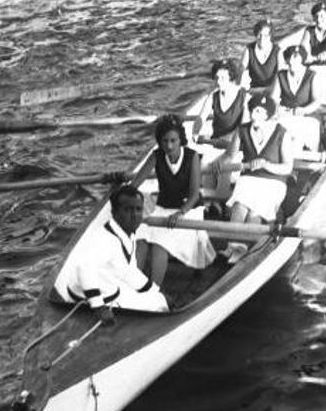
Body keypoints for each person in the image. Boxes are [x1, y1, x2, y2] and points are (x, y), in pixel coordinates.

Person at [52, 185, 169, 313]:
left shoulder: (127, 233)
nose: (134, 215)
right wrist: (99, 308)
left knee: (158, 297)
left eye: (138, 209)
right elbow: (84, 268)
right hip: (92, 302)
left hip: (108, 291)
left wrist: (154, 290)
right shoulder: (106, 240)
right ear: (114, 212)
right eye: (128, 210)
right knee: (160, 305)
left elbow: (129, 271)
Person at [134, 114, 216, 286]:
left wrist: (180, 213)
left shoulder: (192, 156)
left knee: (159, 244)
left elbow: (194, 194)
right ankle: (135, 282)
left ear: (181, 140)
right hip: (164, 208)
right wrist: (122, 187)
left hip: (189, 208)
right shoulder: (156, 156)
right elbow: (135, 183)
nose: (169, 146)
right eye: (165, 141)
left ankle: (154, 290)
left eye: (173, 141)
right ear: (160, 141)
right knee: (140, 237)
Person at [220, 95, 294, 264]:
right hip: (249, 180)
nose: (254, 115)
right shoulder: (243, 130)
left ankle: (242, 249)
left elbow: (288, 167)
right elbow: (229, 155)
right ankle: (232, 246)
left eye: (259, 111)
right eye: (253, 110)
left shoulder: (282, 133)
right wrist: (218, 165)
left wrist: (266, 164)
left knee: (255, 211)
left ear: (268, 114)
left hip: (274, 181)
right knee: (239, 206)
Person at [268, 45, 322, 151]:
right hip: (286, 114)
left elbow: (316, 101)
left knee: (310, 128)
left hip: (307, 116)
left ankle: (308, 154)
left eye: (296, 57)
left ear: (302, 60)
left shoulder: (312, 76)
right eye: (290, 58)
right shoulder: (280, 76)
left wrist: (304, 110)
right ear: (286, 60)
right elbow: (273, 100)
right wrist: (278, 108)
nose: (292, 61)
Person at [193, 58, 249, 149]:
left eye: (223, 78)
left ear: (231, 78)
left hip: (237, 145)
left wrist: (226, 139)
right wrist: (195, 132)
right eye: (216, 78)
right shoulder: (212, 96)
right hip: (217, 143)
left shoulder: (244, 96)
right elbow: (201, 117)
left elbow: (244, 125)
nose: (218, 82)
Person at [239, 19, 281, 95]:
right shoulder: (249, 50)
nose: (262, 39)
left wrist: (271, 90)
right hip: (254, 90)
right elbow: (240, 70)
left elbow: (280, 75)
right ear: (255, 34)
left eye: (265, 35)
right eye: (259, 35)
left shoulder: (277, 51)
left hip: (273, 90)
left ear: (270, 36)